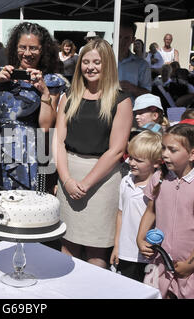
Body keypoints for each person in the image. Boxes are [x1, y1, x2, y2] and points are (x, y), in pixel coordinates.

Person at [53, 38, 132, 268]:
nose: (90, 67)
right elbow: (58, 141)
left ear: (107, 64)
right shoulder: (69, 96)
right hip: (68, 173)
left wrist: (86, 183)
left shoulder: (121, 100)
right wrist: (67, 179)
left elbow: (117, 150)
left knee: (97, 252)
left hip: (102, 180)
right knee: (67, 246)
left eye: (97, 62)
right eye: (85, 62)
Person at [137, 123, 194, 299]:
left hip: (190, 266)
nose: (165, 154)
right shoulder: (159, 178)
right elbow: (151, 211)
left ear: (192, 154)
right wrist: (140, 238)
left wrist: (191, 263)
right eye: (163, 148)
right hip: (160, 261)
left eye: (172, 150)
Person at [0, 22, 65, 191]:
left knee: (26, 208)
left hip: (30, 153)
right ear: (15, 48)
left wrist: (44, 92)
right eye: (22, 47)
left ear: (43, 50)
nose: (27, 53)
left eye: (33, 48)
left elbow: (46, 127)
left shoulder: (51, 82)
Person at [110, 130, 162, 282]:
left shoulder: (160, 187)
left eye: (138, 160)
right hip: (125, 252)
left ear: (157, 162)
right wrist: (117, 246)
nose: (131, 163)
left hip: (147, 255)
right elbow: (120, 213)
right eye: (131, 157)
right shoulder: (126, 181)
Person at [118, 20, 151, 100]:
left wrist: (133, 88)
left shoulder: (142, 65)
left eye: (127, 38)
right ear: (113, 36)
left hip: (132, 111)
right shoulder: (103, 60)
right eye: (119, 37)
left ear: (133, 40)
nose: (122, 42)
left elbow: (148, 94)